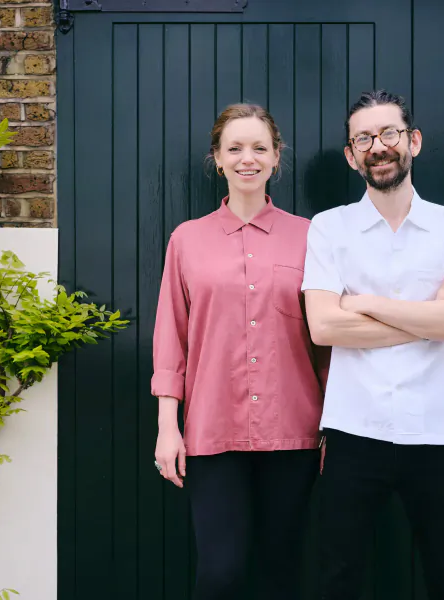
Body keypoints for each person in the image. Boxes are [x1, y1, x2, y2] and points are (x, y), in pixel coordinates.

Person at [302, 89, 444, 600]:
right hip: (353, 431)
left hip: (439, 431)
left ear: (412, 141)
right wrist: (435, 316)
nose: (378, 146)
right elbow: (324, 328)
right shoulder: (329, 229)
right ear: (351, 155)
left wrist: (361, 303)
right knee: (337, 578)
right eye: (363, 138)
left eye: (389, 133)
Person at [152, 103, 329, 599]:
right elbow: (172, 337)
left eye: (259, 148)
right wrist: (169, 428)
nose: (246, 158)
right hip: (212, 435)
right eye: (235, 148)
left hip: (294, 435)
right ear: (217, 158)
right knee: (220, 574)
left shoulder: (310, 237)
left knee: (282, 573)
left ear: (276, 158)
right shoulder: (187, 240)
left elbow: (327, 344)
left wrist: (334, 426)